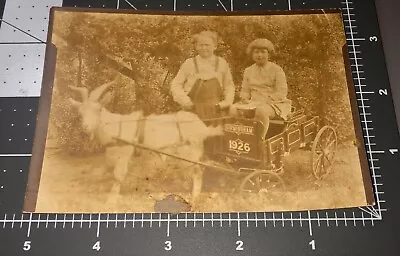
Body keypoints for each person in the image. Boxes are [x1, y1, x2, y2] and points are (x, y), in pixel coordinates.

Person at [170, 30, 235, 126]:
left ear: (215, 46)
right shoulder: (189, 63)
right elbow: (176, 84)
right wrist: (184, 100)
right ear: (196, 47)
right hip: (193, 110)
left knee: (215, 138)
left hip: (216, 111)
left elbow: (229, 86)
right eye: (200, 45)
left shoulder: (222, 63)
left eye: (207, 45)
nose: (204, 48)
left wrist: (226, 102)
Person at [230, 38, 291, 138]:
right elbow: (245, 90)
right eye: (256, 52)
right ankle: (239, 138)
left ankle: (259, 140)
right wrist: (244, 98)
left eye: (263, 52)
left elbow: (281, 92)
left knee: (260, 111)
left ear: (269, 54)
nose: (259, 55)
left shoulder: (276, 70)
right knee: (232, 109)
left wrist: (267, 99)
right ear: (252, 54)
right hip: (253, 103)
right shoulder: (248, 71)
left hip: (274, 105)